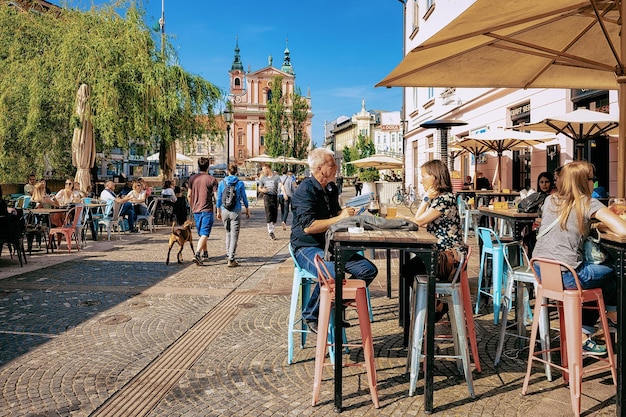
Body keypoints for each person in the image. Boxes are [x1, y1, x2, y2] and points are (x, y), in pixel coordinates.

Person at [533, 161, 626, 356]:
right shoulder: (588, 203)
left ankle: (594, 327)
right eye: (592, 179)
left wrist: (597, 224)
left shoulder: (551, 200)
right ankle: (607, 319)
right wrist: (606, 218)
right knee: (613, 271)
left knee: (596, 279)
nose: (594, 182)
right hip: (567, 275)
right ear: (585, 181)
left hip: (542, 271)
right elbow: (623, 230)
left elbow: (570, 224)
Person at [290, 148, 378, 334]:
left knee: (368, 270)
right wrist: (339, 218)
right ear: (321, 169)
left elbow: (334, 214)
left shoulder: (330, 188)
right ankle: (311, 314)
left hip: (330, 244)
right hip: (306, 246)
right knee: (330, 273)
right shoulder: (305, 190)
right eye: (332, 164)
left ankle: (335, 306)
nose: (337, 167)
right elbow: (309, 227)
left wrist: (346, 213)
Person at [403, 159, 465, 321]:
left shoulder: (446, 199)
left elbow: (419, 222)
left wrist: (425, 199)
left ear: (435, 177)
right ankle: (430, 305)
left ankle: (435, 307)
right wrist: (425, 199)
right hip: (440, 254)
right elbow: (418, 219)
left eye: (424, 176)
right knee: (409, 269)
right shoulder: (438, 199)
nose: (421, 180)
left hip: (448, 258)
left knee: (409, 269)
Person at [216, 163, 250, 267]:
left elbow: (218, 198)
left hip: (224, 210)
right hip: (235, 210)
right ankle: (231, 258)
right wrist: (247, 209)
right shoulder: (240, 183)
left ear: (228, 171)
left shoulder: (222, 183)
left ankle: (228, 254)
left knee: (228, 233)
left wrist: (218, 211)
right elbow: (244, 197)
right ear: (237, 172)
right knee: (234, 234)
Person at [188, 156, 218, 265]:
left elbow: (189, 195)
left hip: (196, 209)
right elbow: (216, 197)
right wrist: (218, 210)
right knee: (205, 233)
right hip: (207, 209)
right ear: (208, 166)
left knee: (201, 233)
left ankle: (205, 253)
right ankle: (197, 254)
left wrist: (192, 206)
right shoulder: (212, 180)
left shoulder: (192, 179)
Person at [522, 171, 557, 254]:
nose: (544, 185)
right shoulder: (540, 196)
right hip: (540, 226)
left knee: (530, 239)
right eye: (541, 182)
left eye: (546, 182)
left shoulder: (554, 196)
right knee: (528, 238)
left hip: (550, 228)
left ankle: (534, 262)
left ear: (551, 182)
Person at [258, 164, 280, 240]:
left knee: (274, 214)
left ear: (268, 169)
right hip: (267, 197)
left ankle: (273, 229)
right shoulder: (263, 178)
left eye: (264, 169)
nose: (263, 171)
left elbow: (280, 184)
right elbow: (259, 188)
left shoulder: (276, 177)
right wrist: (262, 190)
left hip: (274, 196)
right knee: (269, 213)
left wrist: (283, 191)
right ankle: (270, 231)